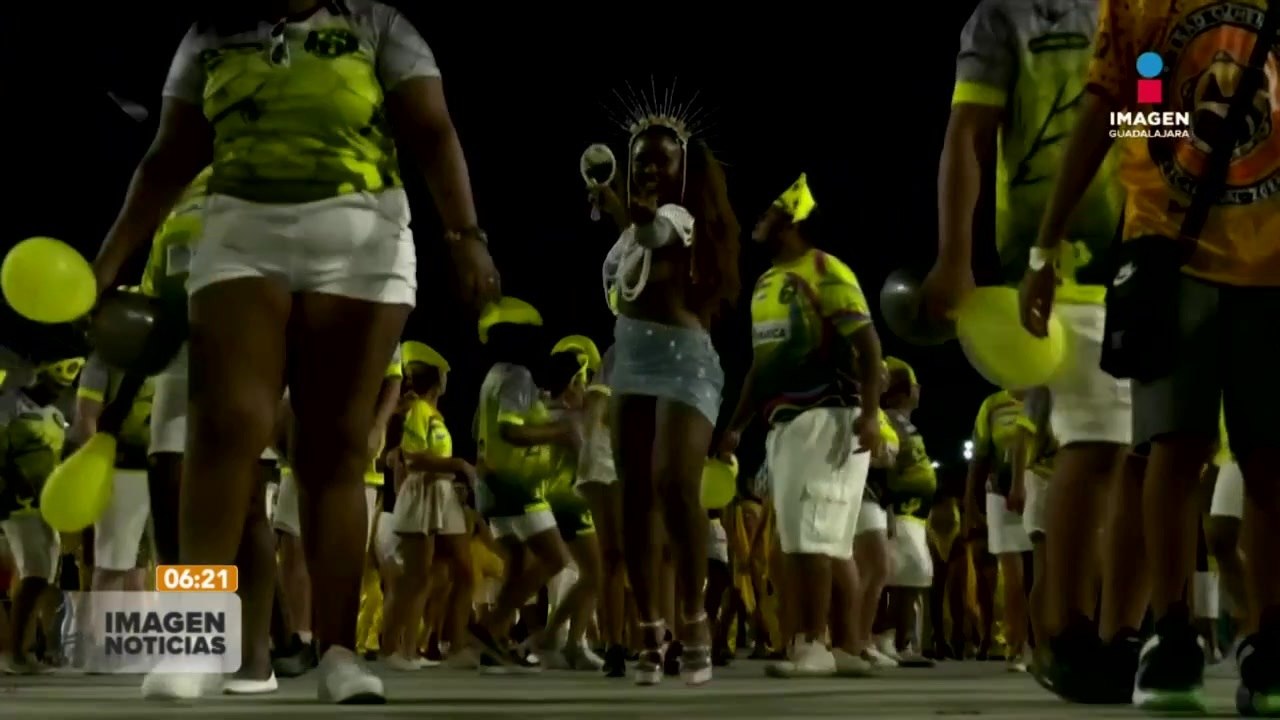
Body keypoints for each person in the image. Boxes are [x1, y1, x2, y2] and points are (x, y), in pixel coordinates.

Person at [92, 0, 499, 704]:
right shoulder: (206, 35)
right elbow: (168, 157)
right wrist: (109, 260)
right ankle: (195, 637)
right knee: (225, 427)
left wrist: (466, 236)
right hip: (241, 228)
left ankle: (338, 652)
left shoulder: (379, 26)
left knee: (333, 447)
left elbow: (432, 132)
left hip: (364, 233)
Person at [1024, 0, 1279, 711]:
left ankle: (1269, 640)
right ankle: (1169, 636)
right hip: (1173, 250)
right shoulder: (1140, 3)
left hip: (1274, 260)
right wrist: (1046, 246)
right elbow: (1125, 110)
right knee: (1172, 445)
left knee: (1268, 457)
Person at [925, 0, 1142, 703]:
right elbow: (968, 133)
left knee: (1145, 456)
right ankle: (1063, 631)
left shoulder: (1137, 16)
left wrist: (1157, 96)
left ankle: (1122, 636)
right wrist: (954, 255)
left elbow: (1147, 119)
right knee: (1096, 443)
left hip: (1149, 258)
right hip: (1056, 268)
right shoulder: (1001, 17)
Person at [601, 94, 741, 687]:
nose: (650, 170)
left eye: (661, 160)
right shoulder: (626, 239)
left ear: (685, 166)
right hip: (631, 359)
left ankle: (694, 620)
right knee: (633, 494)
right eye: (641, 161)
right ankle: (649, 628)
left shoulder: (679, 219)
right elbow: (625, 271)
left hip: (685, 362)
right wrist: (617, 211)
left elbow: (656, 229)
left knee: (675, 483)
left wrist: (626, 211)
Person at [721, 173, 882, 678]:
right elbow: (760, 367)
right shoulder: (766, 284)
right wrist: (736, 427)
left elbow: (869, 348)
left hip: (827, 414)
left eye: (769, 213)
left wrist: (873, 415)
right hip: (785, 422)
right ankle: (851, 651)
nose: (758, 221)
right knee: (826, 540)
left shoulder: (825, 269)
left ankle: (812, 644)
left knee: (810, 537)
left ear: (792, 221)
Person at [470, 306, 573, 673]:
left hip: (492, 486)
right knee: (555, 559)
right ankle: (491, 625)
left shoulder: (492, 378)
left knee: (516, 565)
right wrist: (560, 433)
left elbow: (478, 432)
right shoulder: (517, 376)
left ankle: (493, 644)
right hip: (518, 485)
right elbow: (510, 430)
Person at [383, 343, 477, 670]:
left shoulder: (432, 414)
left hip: (441, 496)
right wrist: (459, 465)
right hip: (422, 496)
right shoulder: (420, 412)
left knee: (461, 572)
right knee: (415, 578)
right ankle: (396, 650)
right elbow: (414, 457)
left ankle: (448, 644)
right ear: (437, 383)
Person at [0, 358, 77, 674]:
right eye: (55, 381)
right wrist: (15, 482)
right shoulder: (9, 405)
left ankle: (25, 648)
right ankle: (15, 653)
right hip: (17, 504)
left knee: (42, 575)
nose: (60, 388)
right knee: (33, 575)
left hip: (46, 506)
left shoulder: (58, 416)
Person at [574, 345, 629, 677]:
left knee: (626, 557)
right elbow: (597, 404)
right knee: (615, 557)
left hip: (633, 459)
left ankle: (654, 639)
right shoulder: (620, 351)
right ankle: (615, 645)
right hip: (610, 461)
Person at [881, 358, 938, 668]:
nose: (920, 390)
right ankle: (891, 639)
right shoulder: (889, 420)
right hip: (900, 511)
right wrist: (887, 508)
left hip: (915, 514)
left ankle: (901, 640)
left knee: (913, 575)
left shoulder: (904, 421)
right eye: (915, 385)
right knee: (904, 575)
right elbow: (887, 466)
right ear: (903, 391)